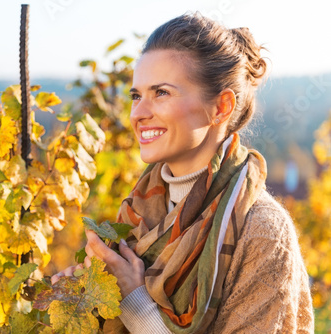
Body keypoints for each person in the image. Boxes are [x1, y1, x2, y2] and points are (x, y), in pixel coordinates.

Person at [51, 12, 314, 333]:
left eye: (161, 92)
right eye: (137, 96)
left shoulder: (262, 232)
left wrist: (133, 300)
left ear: (221, 108)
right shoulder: (138, 213)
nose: (139, 113)